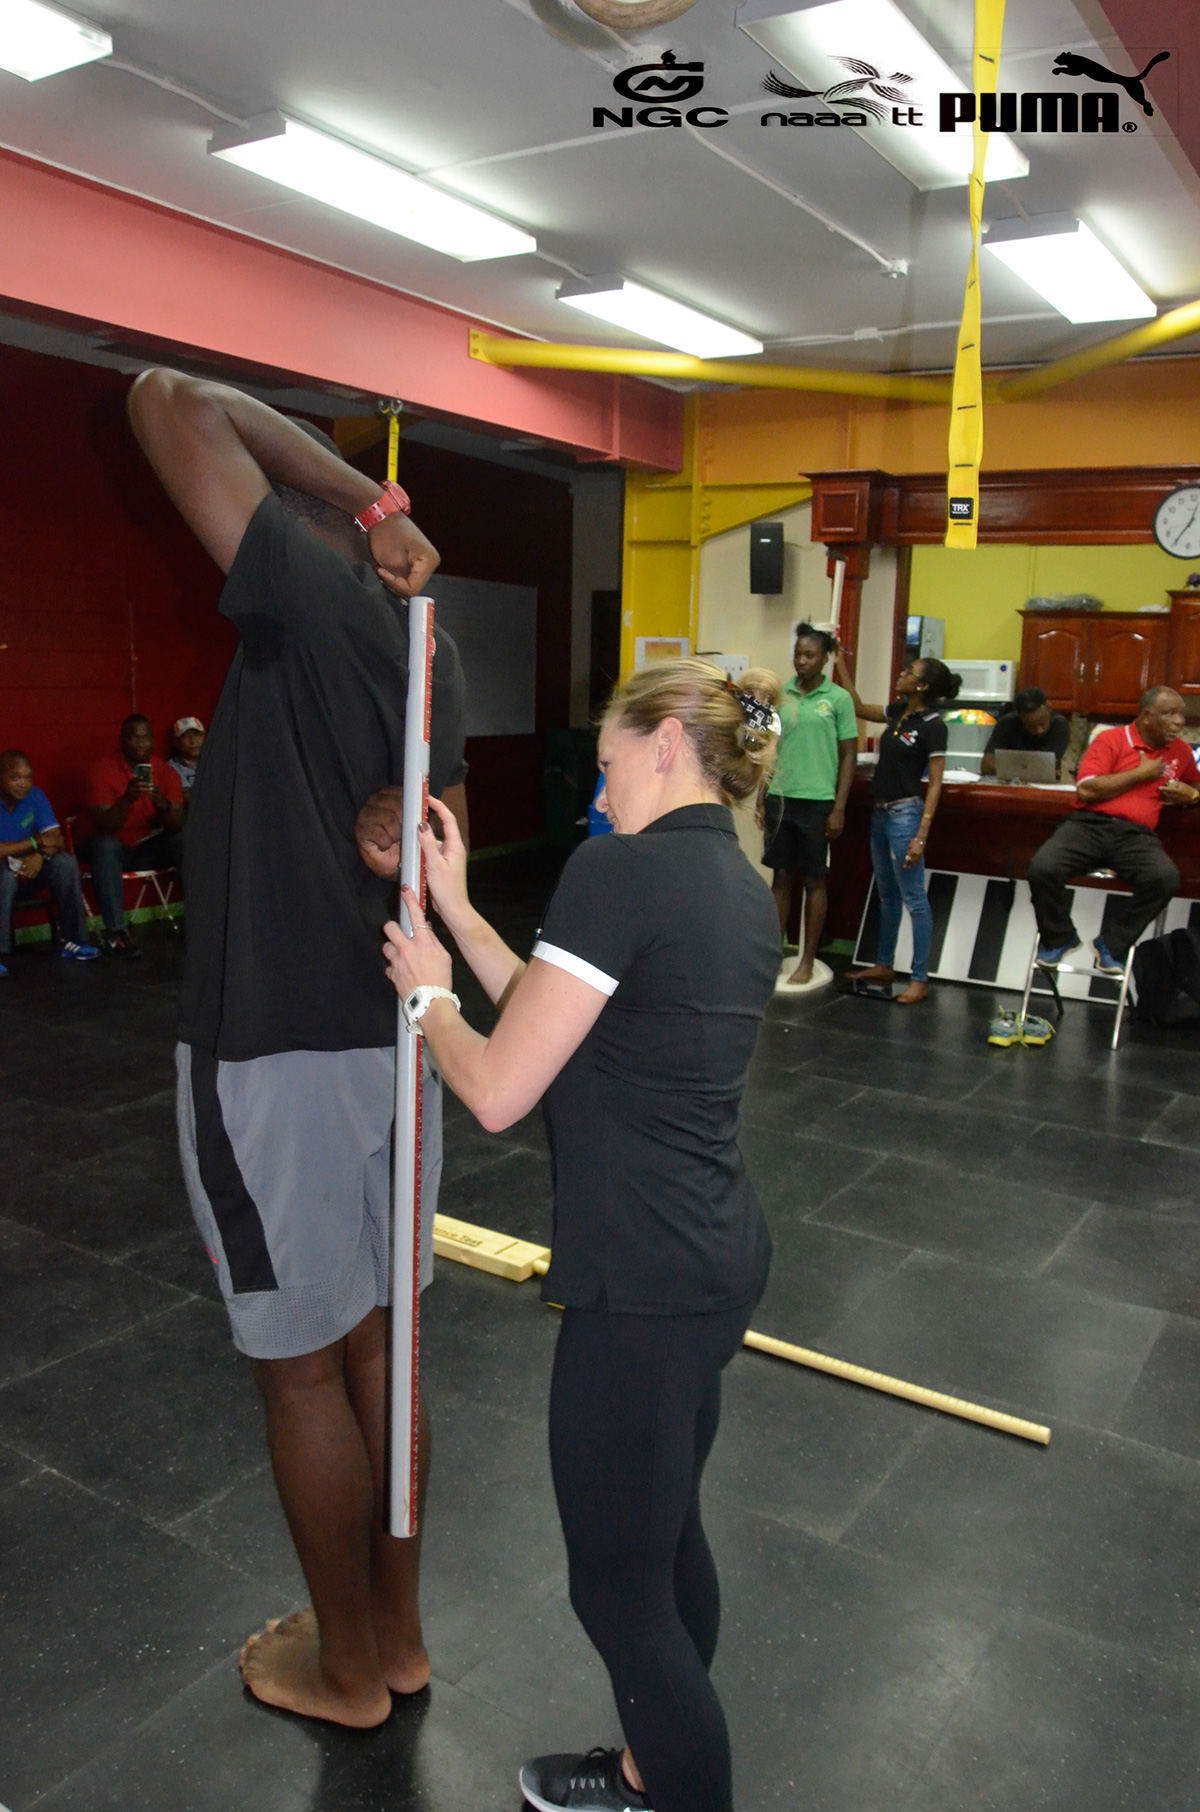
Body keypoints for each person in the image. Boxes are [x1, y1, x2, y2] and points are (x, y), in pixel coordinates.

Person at [377, 659, 780, 1812]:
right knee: (665, 1543)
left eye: (607, 765)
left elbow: (502, 1088)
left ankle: (676, 1794)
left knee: (619, 1594)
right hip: (710, 1262)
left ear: (665, 744)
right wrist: (461, 913)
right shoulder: (736, 882)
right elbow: (567, 1018)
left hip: (644, 1286)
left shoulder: (619, 869)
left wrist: (428, 999)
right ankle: (654, 1765)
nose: (598, 794)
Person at [126, 367, 466, 1728]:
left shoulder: (313, 587)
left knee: (303, 1364)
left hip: (271, 1049)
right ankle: (395, 1640)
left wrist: (369, 497)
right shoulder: (433, 642)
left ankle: (344, 1671)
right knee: (384, 1349)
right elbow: (438, 829)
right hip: (397, 1032)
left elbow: (168, 399)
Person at [1027, 686, 1199, 975]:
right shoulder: (1111, 739)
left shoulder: (1180, 751)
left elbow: (1195, 785)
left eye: (1181, 715)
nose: (1179, 722)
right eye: (1169, 714)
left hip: (1136, 835)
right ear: (1146, 716)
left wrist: (1191, 795)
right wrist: (1141, 774)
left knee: (1165, 879)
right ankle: (1060, 937)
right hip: (1089, 825)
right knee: (1042, 868)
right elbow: (1087, 790)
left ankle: (1111, 944)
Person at [834, 649, 961, 1004]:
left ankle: (919, 979)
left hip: (906, 814)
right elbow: (858, 706)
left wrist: (922, 834)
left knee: (914, 899)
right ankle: (883, 965)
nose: (902, 675)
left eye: (909, 672)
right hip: (880, 813)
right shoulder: (897, 712)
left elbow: (934, 783)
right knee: (887, 894)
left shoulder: (933, 726)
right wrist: (840, 661)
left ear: (922, 686)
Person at [762, 625, 858, 985]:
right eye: (797, 654)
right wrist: (761, 795)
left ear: (825, 658)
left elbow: (848, 756)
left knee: (815, 880)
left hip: (818, 802)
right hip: (780, 798)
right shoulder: (780, 696)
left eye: (809, 655)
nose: (801, 661)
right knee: (781, 877)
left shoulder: (839, 699)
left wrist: (839, 807)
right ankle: (774, 955)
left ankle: (807, 960)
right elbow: (766, 747)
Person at [77, 714, 185, 957]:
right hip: (104, 846)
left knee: (184, 841)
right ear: (122, 740)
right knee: (106, 844)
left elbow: (177, 825)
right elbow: (104, 826)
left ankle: (203, 922)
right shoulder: (102, 770)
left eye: (145, 738)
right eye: (133, 738)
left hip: (143, 845)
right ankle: (117, 934)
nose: (140, 744)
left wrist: (163, 804)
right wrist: (127, 799)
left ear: (152, 740)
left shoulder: (165, 771)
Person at [0, 749, 98, 973]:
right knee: (4, 876)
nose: (23, 784)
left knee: (64, 863)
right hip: (3, 874)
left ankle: (74, 941)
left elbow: (56, 839)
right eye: (15, 777)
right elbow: (40, 840)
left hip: (28, 871)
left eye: (27, 777)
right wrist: (34, 843)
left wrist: (39, 855)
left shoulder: (35, 796)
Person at [981, 686, 1070, 777]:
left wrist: (1009, 770)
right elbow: (987, 763)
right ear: (1019, 718)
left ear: (1048, 709)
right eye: (1031, 727)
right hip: (1009, 782)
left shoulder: (1059, 724)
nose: (1039, 731)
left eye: (1043, 724)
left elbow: (1047, 764)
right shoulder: (1006, 723)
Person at [169, 716, 205, 799]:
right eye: (186, 736)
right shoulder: (172, 767)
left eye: (197, 735)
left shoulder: (213, 761)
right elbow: (187, 796)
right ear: (176, 742)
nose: (193, 741)